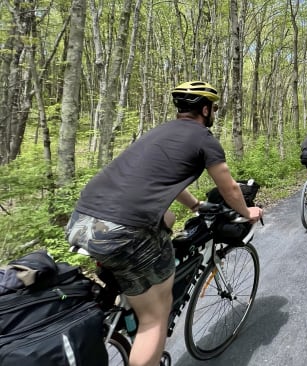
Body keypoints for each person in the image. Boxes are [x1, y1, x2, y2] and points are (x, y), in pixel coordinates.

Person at [65, 80, 262, 366]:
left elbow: (164, 178)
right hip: (123, 231)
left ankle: (124, 319)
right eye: (214, 108)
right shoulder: (204, 138)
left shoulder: (157, 133)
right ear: (206, 110)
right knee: (155, 316)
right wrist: (248, 212)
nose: (214, 112)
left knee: (167, 220)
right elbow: (230, 189)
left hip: (81, 221)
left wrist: (194, 205)